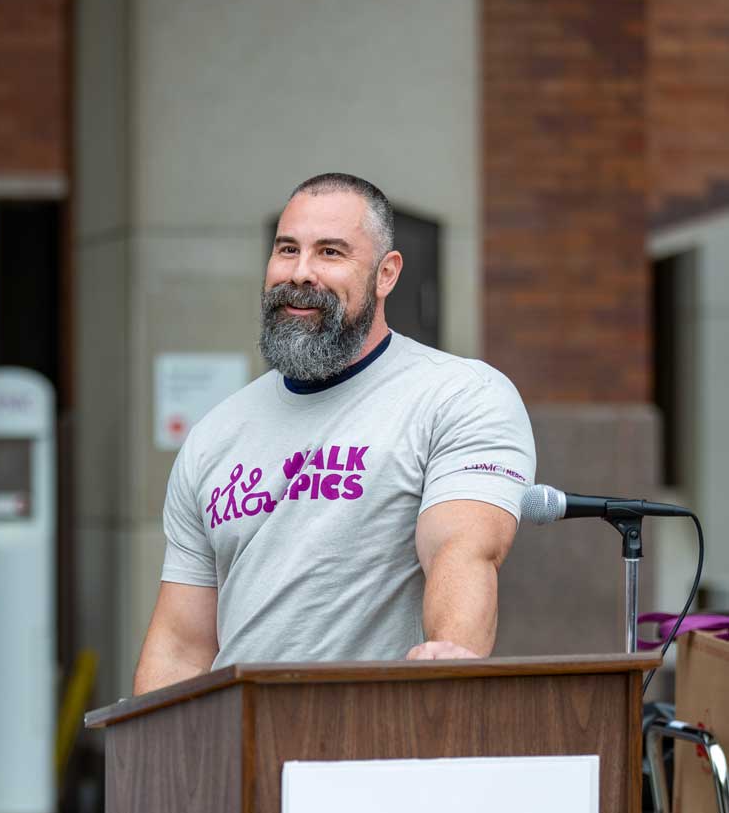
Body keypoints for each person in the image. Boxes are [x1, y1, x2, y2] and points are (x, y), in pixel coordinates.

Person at [134, 172, 536, 694]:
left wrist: (448, 663)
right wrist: (152, 742)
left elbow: (461, 551)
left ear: (386, 274)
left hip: (381, 728)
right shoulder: (214, 434)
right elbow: (180, 647)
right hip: (239, 734)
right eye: (287, 249)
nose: (301, 273)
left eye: (329, 252)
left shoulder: (459, 396)